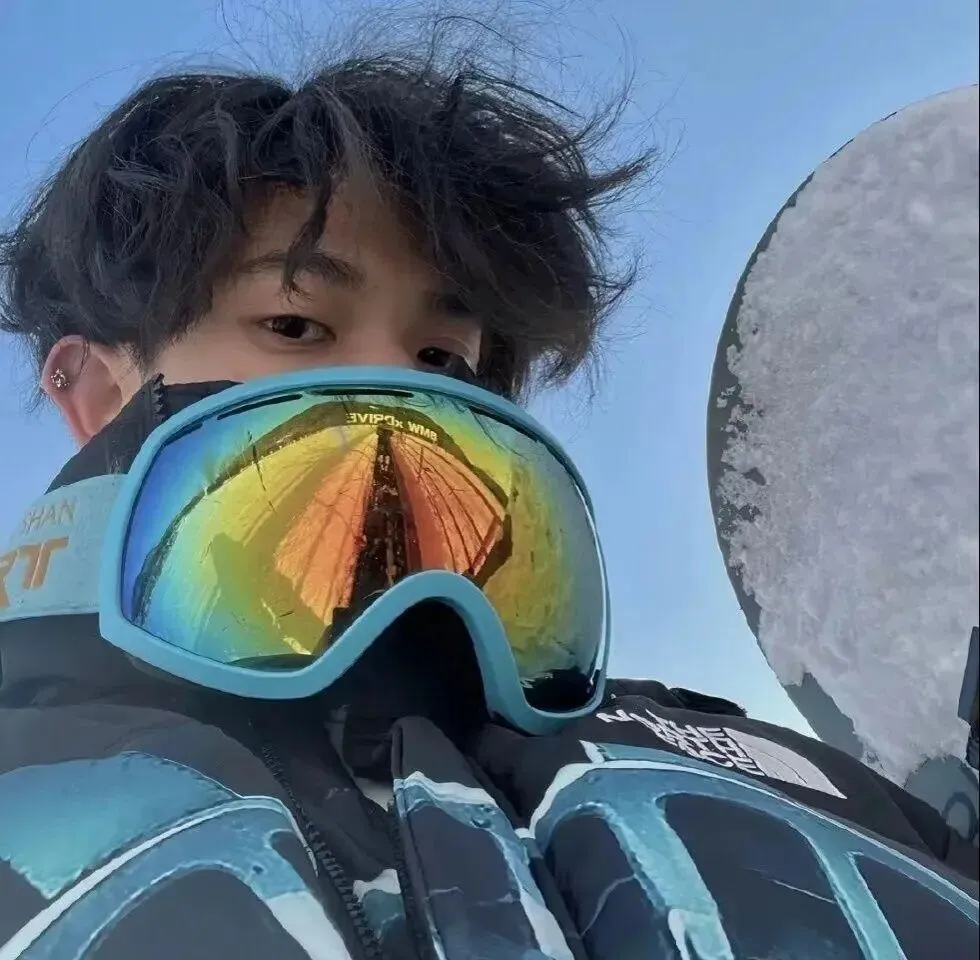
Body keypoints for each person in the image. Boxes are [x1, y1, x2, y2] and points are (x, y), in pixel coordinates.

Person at [0, 40, 977, 960]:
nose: (397, 389)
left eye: (441, 356)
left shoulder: (708, 755)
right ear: (98, 392)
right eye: (294, 324)